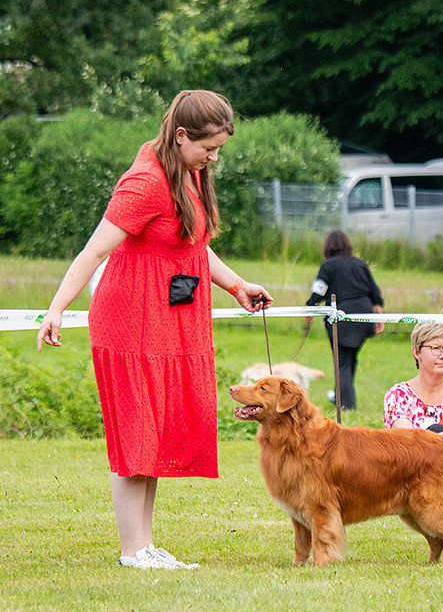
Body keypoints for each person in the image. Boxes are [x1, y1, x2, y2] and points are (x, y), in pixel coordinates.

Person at [36, 90, 274, 570]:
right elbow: (93, 252)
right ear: (181, 135)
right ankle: (131, 552)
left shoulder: (188, 175)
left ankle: (144, 546)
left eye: (218, 150)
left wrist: (236, 285)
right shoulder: (144, 182)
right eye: (208, 148)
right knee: (136, 434)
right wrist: (56, 308)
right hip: (131, 323)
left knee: (159, 435)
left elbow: (192, 246)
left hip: (170, 322)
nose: (213, 158)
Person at [383, 323, 443, 471]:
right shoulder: (398, 394)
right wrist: (439, 441)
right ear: (417, 352)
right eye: (436, 348)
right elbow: (406, 436)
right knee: (436, 429)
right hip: (415, 477)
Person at [306, 230, 384, 409]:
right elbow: (374, 292)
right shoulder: (360, 264)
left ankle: (347, 405)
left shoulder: (328, 266)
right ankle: (339, 397)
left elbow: (319, 291)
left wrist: (309, 307)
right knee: (350, 360)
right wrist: (379, 317)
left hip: (341, 317)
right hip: (364, 315)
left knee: (342, 362)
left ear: (328, 246)